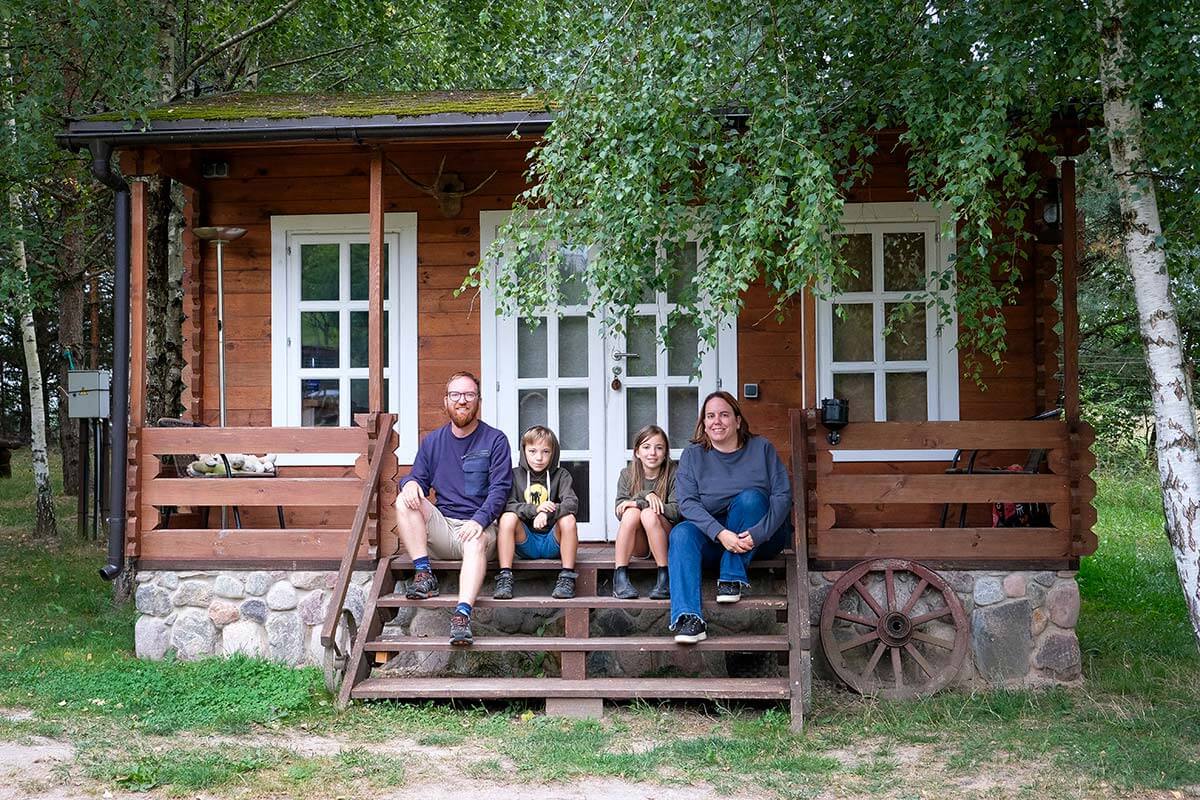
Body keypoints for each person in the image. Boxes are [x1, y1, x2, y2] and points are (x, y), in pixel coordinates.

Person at [396, 371, 512, 646]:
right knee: (404, 499)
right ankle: (424, 574)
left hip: (480, 530)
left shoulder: (495, 440)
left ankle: (462, 616)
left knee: (475, 541)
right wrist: (410, 483)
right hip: (444, 528)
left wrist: (481, 520)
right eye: (456, 395)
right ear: (446, 401)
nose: (462, 401)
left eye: (469, 394)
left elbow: (500, 490)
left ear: (478, 400)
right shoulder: (433, 442)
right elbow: (417, 477)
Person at [668, 391, 792, 644]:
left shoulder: (762, 448)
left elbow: (782, 496)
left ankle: (732, 575)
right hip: (717, 538)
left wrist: (758, 534)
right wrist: (721, 534)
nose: (717, 421)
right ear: (703, 423)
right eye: (710, 416)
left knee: (751, 499)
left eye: (724, 415)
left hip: (758, 538)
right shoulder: (693, 455)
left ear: (737, 420)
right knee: (680, 533)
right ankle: (689, 618)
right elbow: (688, 503)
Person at [493, 425, 580, 600]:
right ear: (523, 451)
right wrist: (535, 510)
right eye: (532, 451)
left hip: (553, 541)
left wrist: (547, 513)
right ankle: (505, 576)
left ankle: (567, 577)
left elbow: (572, 503)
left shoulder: (561, 475)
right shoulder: (514, 475)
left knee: (568, 519)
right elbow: (506, 505)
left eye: (545, 452)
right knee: (507, 518)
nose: (539, 457)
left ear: (553, 453)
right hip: (526, 541)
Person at [611, 424, 677, 600]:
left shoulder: (673, 473)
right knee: (631, 514)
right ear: (637, 452)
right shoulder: (627, 474)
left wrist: (640, 502)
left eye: (659, 448)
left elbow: (677, 511)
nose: (652, 453)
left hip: (665, 536)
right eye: (646, 447)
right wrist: (646, 496)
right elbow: (620, 509)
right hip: (639, 544)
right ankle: (620, 578)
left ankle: (665, 577)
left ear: (665, 452)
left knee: (647, 514)